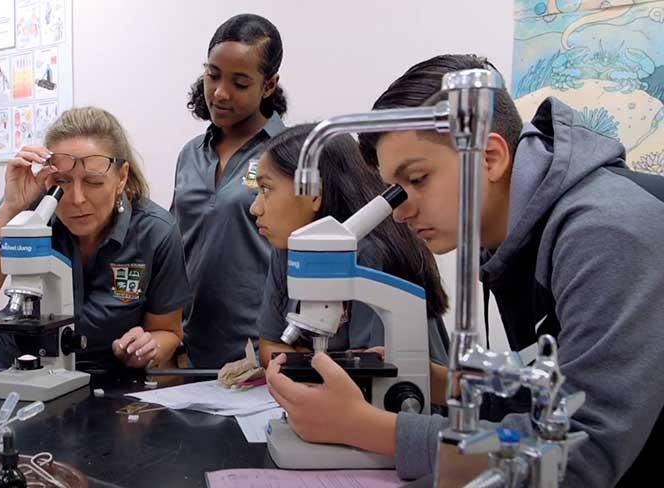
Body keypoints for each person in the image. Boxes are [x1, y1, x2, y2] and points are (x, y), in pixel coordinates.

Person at [266, 54, 664, 486]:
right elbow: (546, 397)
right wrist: (442, 384)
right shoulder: (511, 239)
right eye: (394, 190)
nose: (400, 213)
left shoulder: (604, 235)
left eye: (417, 179)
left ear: (490, 157)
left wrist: (367, 428)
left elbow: (579, 456)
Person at [0, 107, 192, 371]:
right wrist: (9, 208)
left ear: (121, 177)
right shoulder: (29, 210)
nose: (77, 199)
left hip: (104, 378)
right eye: (62, 181)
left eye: (94, 182)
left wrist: (146, 347)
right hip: (18, 366)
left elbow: (167, 331)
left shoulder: (155, 232)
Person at [250, 124, 449, 393]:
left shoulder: (373, 254)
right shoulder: (287, 247)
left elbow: (373, 370)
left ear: (314, 192)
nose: (255, 207)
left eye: (266, 189)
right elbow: (269, 347)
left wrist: (303, 358)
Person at [170, 14, 287, 368]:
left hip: (258, 354)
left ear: (268, 85)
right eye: (213, 75)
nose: (220, 93)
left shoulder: (286, 155)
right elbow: (176, 245)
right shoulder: (190, 153)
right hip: (187, 352)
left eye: (239, 82)